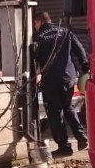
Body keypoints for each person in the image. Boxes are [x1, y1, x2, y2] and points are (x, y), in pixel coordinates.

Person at [33, 11, 89, 158]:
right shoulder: (65, 31)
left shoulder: (38, 37)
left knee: (55, 113)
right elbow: (80, 49)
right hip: (69, 77)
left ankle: (64, 147)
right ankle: (81, 136)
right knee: (69, 106)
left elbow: (34, 58)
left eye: (35, 24)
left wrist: (35, 74)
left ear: (39, 22)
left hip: (50, 79)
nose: (35, 27)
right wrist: (85, 67)